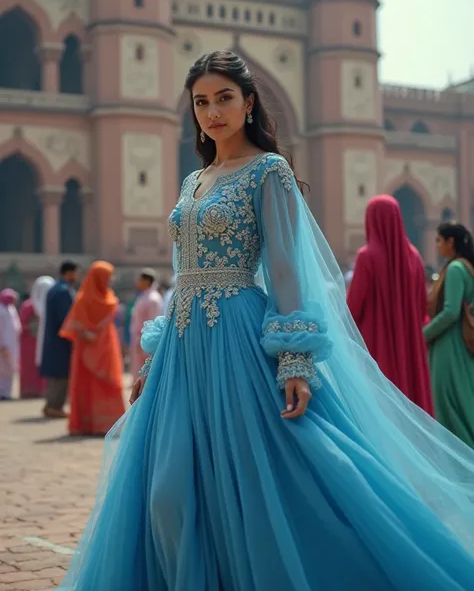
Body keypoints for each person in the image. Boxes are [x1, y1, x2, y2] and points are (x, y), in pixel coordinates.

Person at [58, 51, 474, 591]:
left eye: (224, 98)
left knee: (262, 483)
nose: (212, 112)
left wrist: (293, 362)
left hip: (239, 339)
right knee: (166, 489)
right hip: (184, 349)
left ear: (249, 102)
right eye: (201, 101)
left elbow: (283, 270)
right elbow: (182, 271)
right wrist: (155, 355)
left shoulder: (269, 173)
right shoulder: (194, 180)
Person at [347, 195, 434, 415]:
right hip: (410, 345)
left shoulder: (367, 256)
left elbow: (352, 308)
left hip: (375, 344)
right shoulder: (415, 257)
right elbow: (423, 309)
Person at [60, 261, 125, 436]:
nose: (110, 280)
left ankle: (109, 424)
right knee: (88, 386)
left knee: (109, 382)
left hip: (107, 347)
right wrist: (86, 333)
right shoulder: (83, 299)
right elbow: (75, 325)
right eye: (107, 277)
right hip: (87, 350)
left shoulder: (109, 297)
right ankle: (87, 424)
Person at [424, 222, 474, 447]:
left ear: (450, 242)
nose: (437, 245)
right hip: (461, 344)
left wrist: (423, 334)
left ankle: (461, 459)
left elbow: (451, 312)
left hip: (450, 344)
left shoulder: (455, 269)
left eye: (439, 240)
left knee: (450, 405)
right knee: (464, 399)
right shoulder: (465, 266)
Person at [40, 261, 78, 418]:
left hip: (53, 339)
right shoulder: (63, 291)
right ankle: (55, 406)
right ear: (68, 273)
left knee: (56, 373)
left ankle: (50, 404)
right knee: (61, 373)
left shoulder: (55, 289)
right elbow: (66, 318)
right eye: (76, 273)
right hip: (62, 340)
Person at [130, 269, 163, 379]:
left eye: (140, 280)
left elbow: (153, 323)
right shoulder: (144, 296)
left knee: (146, 375)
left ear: (147, 281)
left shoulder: (153, 299)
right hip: (138, 339)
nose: (137, 282)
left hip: (145, 342)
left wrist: (145, 343)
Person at [19, 292, 44, 398]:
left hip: (33, 341)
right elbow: (23, 324)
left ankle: (34, 390)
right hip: (29, 341)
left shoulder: (27, 305)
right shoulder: (29, 306)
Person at [0, 289, 21, 401]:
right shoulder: (1, 310)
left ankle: (7, 393)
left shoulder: (11, 309)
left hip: (12, 345)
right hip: (3, 346)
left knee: (11, 369)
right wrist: (2, 345)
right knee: (1, 370)